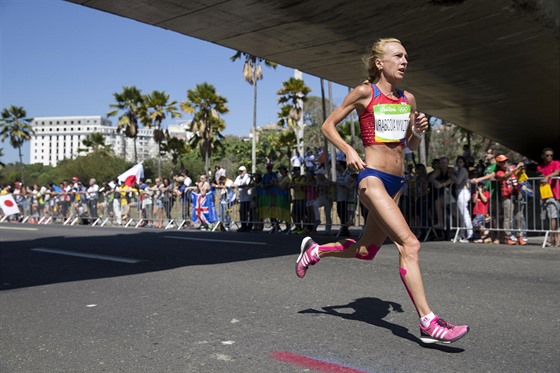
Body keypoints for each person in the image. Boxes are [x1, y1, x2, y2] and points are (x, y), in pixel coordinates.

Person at [295, 38, 469, 344]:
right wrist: (349, 150)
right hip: (372, 179)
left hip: (396, 183)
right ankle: (428, 322)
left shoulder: (408, 99)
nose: (404, 61)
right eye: (398, 56)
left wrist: (418, 130)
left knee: (366, 251)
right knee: (410, 245)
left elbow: (409, 145)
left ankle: (316, 250)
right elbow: (327, 126)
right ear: (380, 63)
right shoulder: (366, 92)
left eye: (406, 57)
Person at [495, 154, 526, 245]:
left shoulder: (512, 168)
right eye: (502, 162)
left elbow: (521, 173)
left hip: (517, 194)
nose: (505, 163)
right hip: (507, 196)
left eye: (506, 161)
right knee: (508, 217)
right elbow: (505, 176)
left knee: (519, 216)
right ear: (499, 164)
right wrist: (516, 169)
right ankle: (507, 237)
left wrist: (521, 166)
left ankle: (519, 236)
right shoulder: (499, 172)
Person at [537, 147, 560, 247]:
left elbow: (557, 172)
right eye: (547, 155)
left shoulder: (556, 163)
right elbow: (539, 176)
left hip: (554, 194)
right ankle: (554, 238)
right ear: (543, 156)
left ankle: (553, 238)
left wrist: (547, 176)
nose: (549, 157)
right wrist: (543, 177)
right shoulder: (540, 166)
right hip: (544, 194)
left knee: (553, 217)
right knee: (547, 217)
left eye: (551, 155)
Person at [454, 156, 473, 242]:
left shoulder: (463, 170)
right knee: (461, 215)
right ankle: (462, 233)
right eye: (458, 162)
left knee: (464, 213)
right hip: (460, 192)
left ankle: (469, 233)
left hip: (463, 192)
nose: (459, 164)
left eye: (461, 162)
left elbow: (458, 181)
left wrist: (452, 177)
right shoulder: (459, 170)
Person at [234, 166, 253, 232]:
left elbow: (247, 185)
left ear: (245, 171)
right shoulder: (238, 177)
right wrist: (238, 185)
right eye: (239, 171)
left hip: (248, 197)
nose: (240, 172)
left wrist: (239, 185)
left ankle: (249, 226)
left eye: (242, 171)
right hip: (242, 198)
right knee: (242, 212)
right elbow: (234, 184)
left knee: (250, 213)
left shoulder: (248, 176)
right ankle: (243, 226)